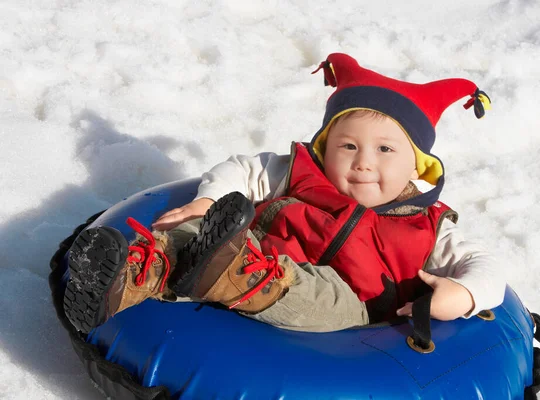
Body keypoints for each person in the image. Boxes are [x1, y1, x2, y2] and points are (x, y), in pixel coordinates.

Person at [64, 53, 505, 335]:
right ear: (325, 146)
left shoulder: (426, 225)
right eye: (347, 146)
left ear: (417, 165)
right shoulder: (298, 173)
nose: (363, 162)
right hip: (244, 245)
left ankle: (241, 274)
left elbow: (486, 266)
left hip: (345, 302)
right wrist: (206, 201)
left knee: (331, 300)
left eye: (386, 150)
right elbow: (243, 169)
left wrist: (463, 295)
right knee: (199, 226)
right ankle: (127, 275)